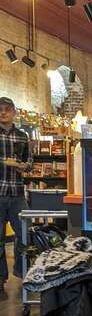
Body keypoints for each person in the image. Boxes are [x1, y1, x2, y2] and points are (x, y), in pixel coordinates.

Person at [0, 97, 30, 300]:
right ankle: (0, 280)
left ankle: (22, 274)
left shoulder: (22, 136)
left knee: (25, 235)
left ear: (14, 112)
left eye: (7, 110)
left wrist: (20, 165)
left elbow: (29, 163)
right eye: (0, 110)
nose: (3, 113)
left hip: (18, 193)